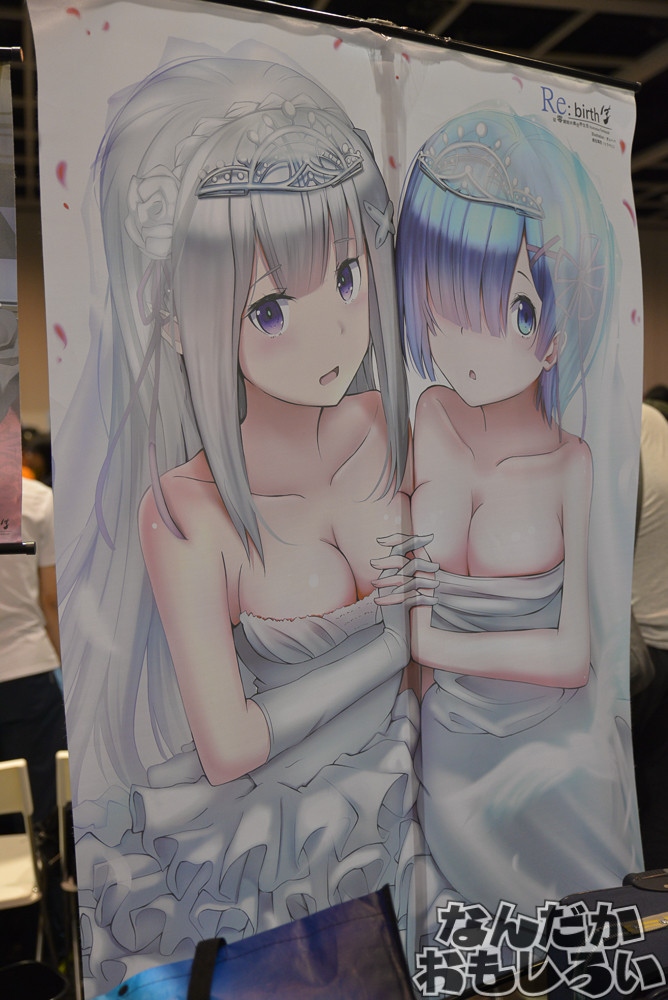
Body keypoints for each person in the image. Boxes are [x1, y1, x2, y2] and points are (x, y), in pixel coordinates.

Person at [57, 53, 424, 992]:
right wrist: (392, 649)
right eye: (269, 309)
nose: (333, 332)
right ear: (183, 324)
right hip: (285, 849)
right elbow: (228, 745)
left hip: (427, 810)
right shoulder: (187, 511)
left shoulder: (388, 430)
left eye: (349, 276)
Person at [386, 107, 639, 919]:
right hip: (442, 745)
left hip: (547, 748)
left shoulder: (572, 464)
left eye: (516, 311)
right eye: (447, 303)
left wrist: (435, 643)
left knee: (569, 926)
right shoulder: (430, 416)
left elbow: (572, 654)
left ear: (556, 333)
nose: (472, 340)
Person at [631, 401, 668, 866]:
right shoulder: (656, 423)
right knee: (658, 793)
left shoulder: (620, 423)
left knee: (626, 797)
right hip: (660, 641)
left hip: (634, 653)